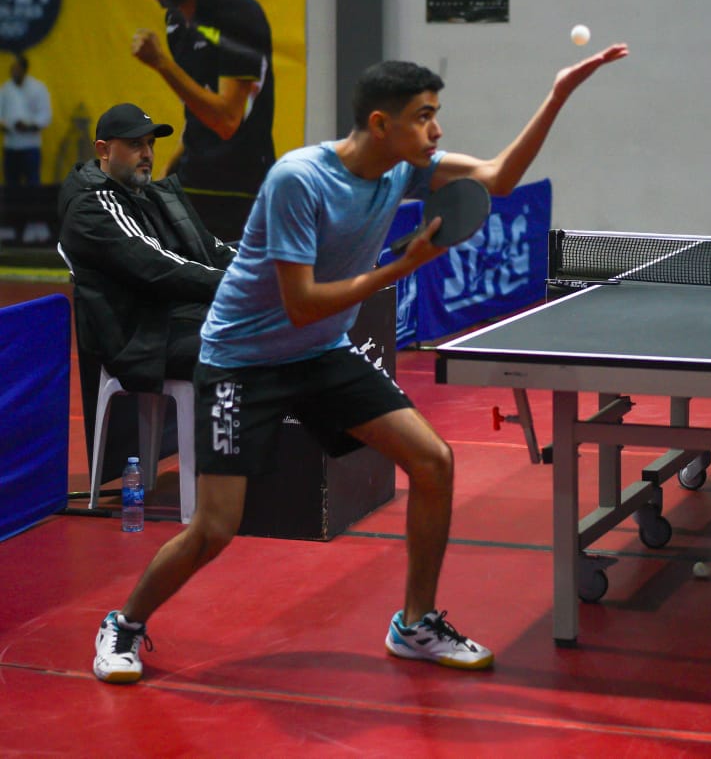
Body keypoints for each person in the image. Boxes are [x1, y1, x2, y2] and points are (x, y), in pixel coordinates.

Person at [91, 42, 630, 684]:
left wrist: (559, 92)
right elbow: (301, 303)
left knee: (433, 461)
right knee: (214, 528)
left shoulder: (405, 169)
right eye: (424, 117)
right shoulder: (299, 180)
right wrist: (401, 267)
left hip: (320, 352)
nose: (437, 131)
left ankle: (415, 623)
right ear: (381, 123)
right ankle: (123, 624)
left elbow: (498, 177)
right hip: (241, 363)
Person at [57, 103, 236, 448]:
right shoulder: (93, 206)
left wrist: (266, 274)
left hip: (172, 320)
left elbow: (211, 249)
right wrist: (243, 288)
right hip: (140, 339)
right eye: (135, 145)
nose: (148, 154)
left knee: (271, 326)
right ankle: (227, 465)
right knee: (248, 337)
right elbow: (159, 266)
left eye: (150, 144)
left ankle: (262, 463)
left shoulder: (148, 193)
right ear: (104, 150)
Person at [133, 0, 275, 242]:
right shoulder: (176, 22)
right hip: (193, 182)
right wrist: (167, 174)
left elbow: (226, 120)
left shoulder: (237, 13)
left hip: (238, 193)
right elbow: (197, 111)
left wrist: (161, 63)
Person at [0, 52, 53, 188]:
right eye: (13, 69)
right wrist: (6, 125)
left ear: (24, 69)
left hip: (31, 145)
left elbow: (45, 115)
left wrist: (29, 126)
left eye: (17, 69)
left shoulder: (38, 88)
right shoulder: (5, 89)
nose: (14, 72)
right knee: (11, 186)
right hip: (11, 145)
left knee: (32, 185)